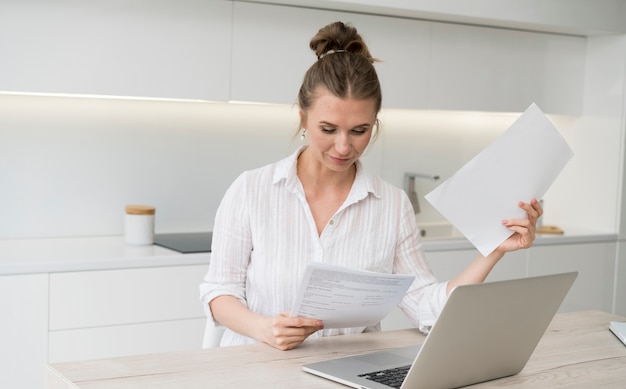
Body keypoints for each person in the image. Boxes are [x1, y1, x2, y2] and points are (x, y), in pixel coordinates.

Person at [199, 21, 542, 351]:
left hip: (345, 377)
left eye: (359, 131)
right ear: (302, 117)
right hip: (257, 374)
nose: (344, 146)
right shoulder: (251, 190)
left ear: (374, 124)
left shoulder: (391, 205)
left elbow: (427, 307)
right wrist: (265, 329)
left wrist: (495, 249)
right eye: (329, 129)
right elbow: (219, 292)